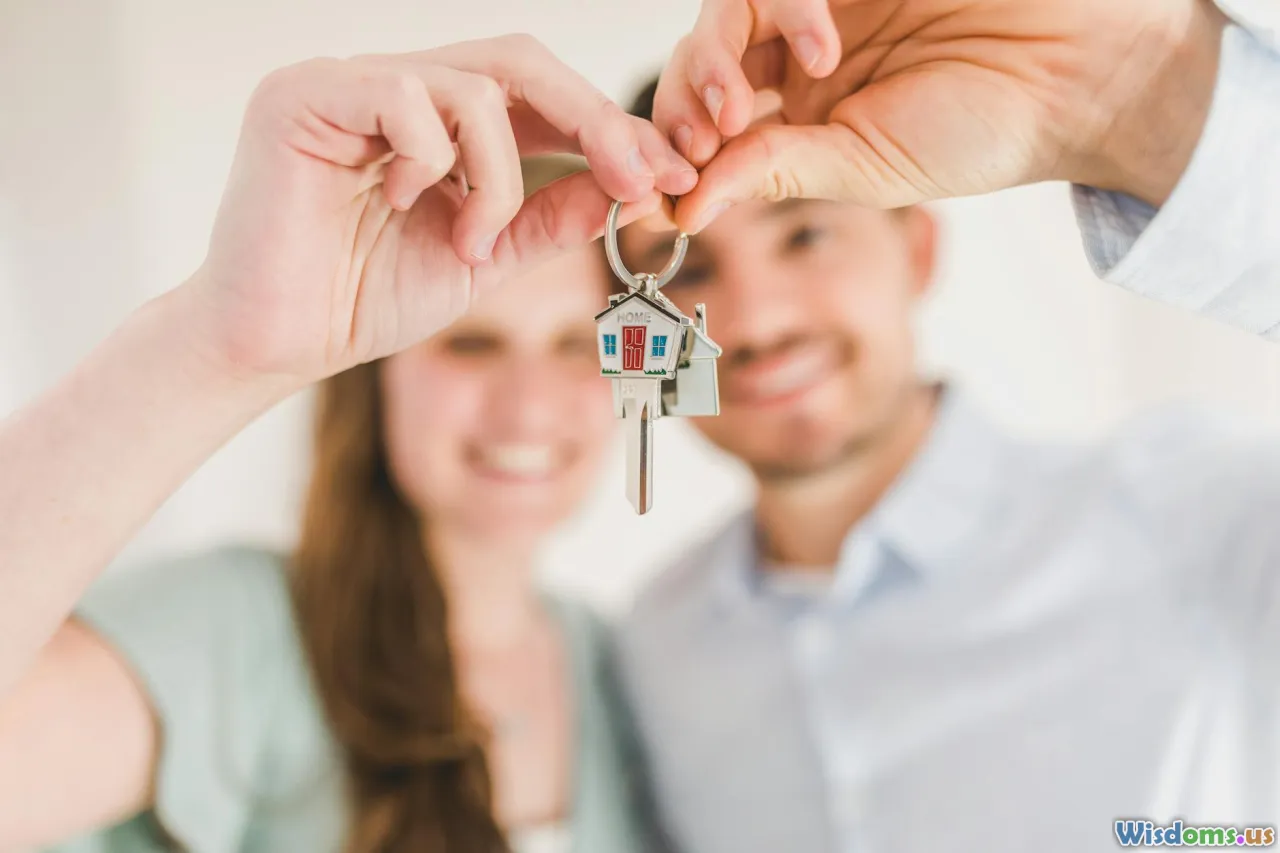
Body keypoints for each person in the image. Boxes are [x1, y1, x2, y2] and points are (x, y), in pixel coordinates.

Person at [606, 1, 1280, 850]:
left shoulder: (1194, 509)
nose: (753, 321)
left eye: (806, 232)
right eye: (689, 267)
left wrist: (1142, 91)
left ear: (916, 251)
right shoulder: (653, 647)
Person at [0, 35, 697, 853]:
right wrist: (217, 346)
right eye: (471, 345)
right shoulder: (240, 628)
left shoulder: (616, 663)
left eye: (578, 347)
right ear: (377, 380)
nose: (530, 404)